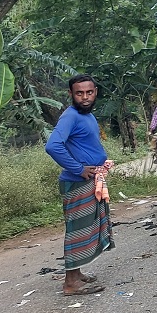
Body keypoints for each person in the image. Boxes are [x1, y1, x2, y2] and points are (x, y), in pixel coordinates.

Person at [45, 74, 115, 296]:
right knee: (78, 231)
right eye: (79, 93)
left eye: (89, 92)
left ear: (95, 92)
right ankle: (70, 284)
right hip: (77, 183)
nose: (85, 97)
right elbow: (53, 146)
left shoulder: (87, 115)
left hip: (91, 180)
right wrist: (79, 168)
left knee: (87, 229)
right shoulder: (70, 116)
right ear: (71, 94)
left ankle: (76, 274)